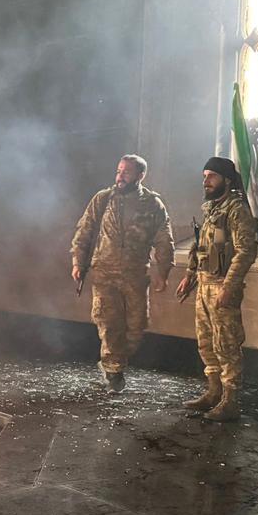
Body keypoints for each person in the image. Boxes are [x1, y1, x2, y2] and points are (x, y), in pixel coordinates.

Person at [71, 154, 174, 391]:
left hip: (136, 274)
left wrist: (164, 270)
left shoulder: (152, 204)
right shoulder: (103, 199)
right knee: (108, 323)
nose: (120, 176)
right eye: (118, 171)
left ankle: (118, 359)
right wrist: (78, 262)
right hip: (104, 272)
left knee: (136, 326)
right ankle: (113, 370)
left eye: (126, 172)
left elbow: (163, 239)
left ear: (140, 175)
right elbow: (85, 230)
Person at [175, 156, 258, 422]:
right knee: (206, 342)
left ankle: (230, 401)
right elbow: (202, 245)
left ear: (227, 180)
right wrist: (190, 274)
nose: (206, 181)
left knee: (227, 343)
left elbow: (245, 251)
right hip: (205, 283)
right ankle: (213, 392)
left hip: (222, 286)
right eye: (204, 176)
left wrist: (229, 286)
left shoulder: (237, 210)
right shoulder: (212, 209)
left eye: (211, 176)